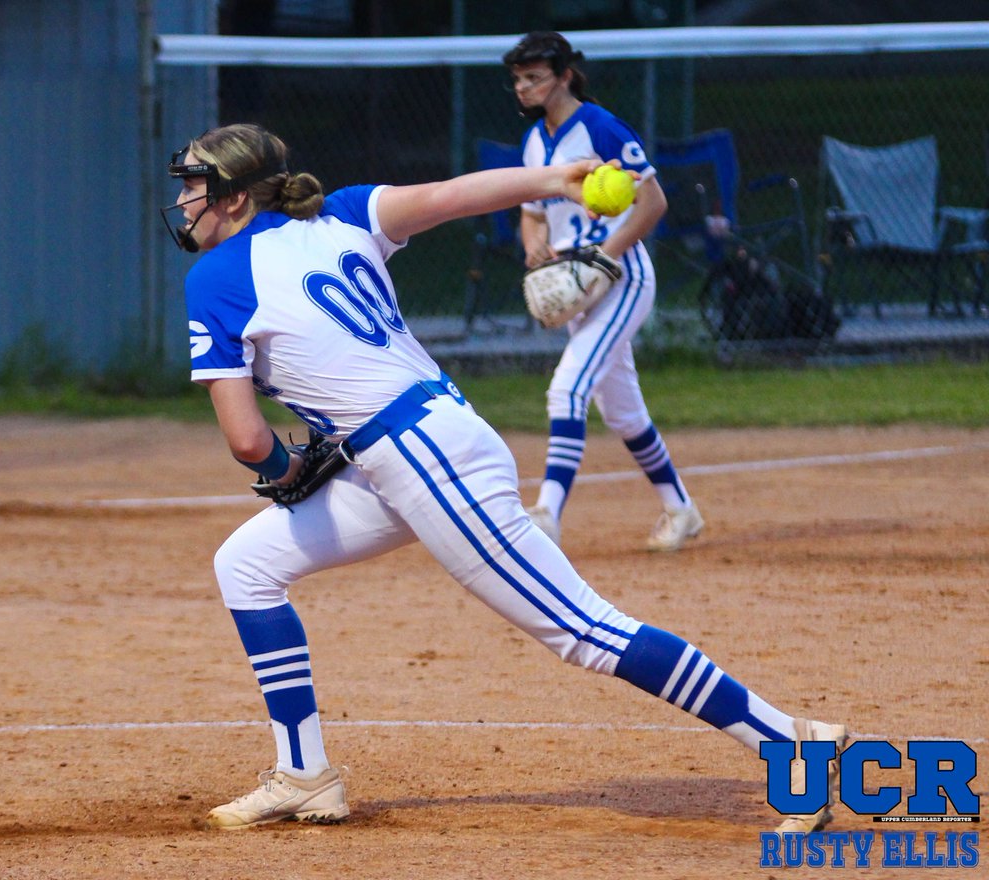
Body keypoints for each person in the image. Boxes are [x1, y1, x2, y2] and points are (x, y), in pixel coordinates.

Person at [168, 122, 845, 832]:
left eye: (195, 186)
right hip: (413, 446)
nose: (185, 201)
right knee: (246, 563)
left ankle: (788, 743)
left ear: (237, 197)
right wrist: (553, 182)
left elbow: (248, 440)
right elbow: (454, 195)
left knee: (582, 629)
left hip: (421, 456)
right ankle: (304, 775)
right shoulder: (341, 213)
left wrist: (288, 468)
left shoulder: (215, 278)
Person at [503, 31, 703, 551]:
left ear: (565, 76)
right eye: (518, 79)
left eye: (534, 76)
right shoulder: (533, 142)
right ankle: (681, 509)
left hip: (621, 277)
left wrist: (606, 255)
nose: (523, 87)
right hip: (577, 283)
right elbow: (532, 215)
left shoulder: (600, 126)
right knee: (623, 413)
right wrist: (535, 246)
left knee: (567, 389)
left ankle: (546, 514)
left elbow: (653, 202)